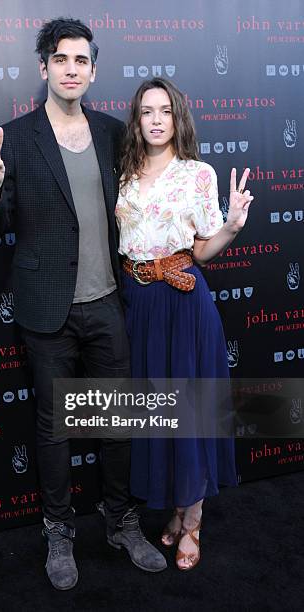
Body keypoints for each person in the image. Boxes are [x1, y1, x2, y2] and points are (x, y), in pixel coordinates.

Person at [0, 18, 166, 591]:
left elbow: (147, 198)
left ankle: (120, 522)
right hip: (46, 310)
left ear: (93, 69)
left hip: (108, 301)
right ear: (44, 67)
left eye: (81, 60)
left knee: (116, 424)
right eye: (61, 59)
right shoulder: (18, 136)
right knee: (56, 429)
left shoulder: (113, 133)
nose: (72, 69)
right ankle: (58, 531)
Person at [115, 78, 253, 571]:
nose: (155, 119)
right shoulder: (123, 173)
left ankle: (192, 519)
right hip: (138, 302)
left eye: (165, 111)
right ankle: (175, 507)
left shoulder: (198, 174)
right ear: (137, 120)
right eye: (147, 111)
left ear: (178, 119)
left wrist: (232, 227)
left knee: (190, 410)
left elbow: (200, 250)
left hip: (183, 301)